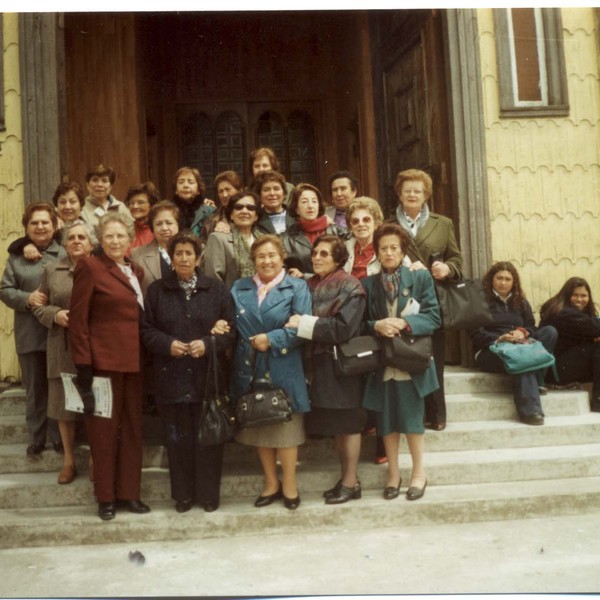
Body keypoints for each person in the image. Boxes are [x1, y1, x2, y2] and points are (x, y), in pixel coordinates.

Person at [141, 232, 236, 513]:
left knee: (208, 438)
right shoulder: (157, 290)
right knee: (178, 439)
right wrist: (167, 344)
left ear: (199, 258)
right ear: (171, 258)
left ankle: (208, 495)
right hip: (171, 377)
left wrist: (208, 344)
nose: (183, 258)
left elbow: (231, 329)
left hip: (207, 377)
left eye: (189, 253)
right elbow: (146, 330)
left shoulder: (215, 289)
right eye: (178, 253)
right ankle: (183, 495)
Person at [69, 213, 149, 521]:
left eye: (120, 236)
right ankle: (106, 497)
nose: (115, 242)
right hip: (102, 363)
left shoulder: (135, 271)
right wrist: (83, 365)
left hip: (134, 363)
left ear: (130, 239)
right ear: (100, 242)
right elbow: (78, 322)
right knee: (103, 432)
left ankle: (130, 493)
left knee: (131, 429)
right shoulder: (90, 267)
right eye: (109, 237)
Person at [230, 235, 311, 510]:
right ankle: (270, 483)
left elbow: (301, 327)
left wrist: (272, 339)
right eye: (260, 256)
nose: (266, 260)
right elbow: (231, 324)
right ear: (253, 260)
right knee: (258, 426)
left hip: (283, 365)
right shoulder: (239, 287)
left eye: (271, 255)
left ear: (282, 258)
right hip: (249, 366)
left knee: (286, 431)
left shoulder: (297, 287)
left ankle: (289, 484)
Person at [361, 223, 441, 501]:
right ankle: (393, 473)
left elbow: (433, 317)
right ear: (377, 252)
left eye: (394, 247)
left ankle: (419, 473)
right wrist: (377, 324)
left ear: (403, 250)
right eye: (383, 248)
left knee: (412, 419)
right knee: (387, 420)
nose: (389, 252)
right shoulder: (368, 284)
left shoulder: (420, 278)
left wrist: (404, 322)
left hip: (411, 359)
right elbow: (362, 322)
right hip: (384, 362)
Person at [285, 235, 367, 504]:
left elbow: (344, 329)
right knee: (338, 426)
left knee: (348, 425)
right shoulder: (309, 283)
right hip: (319, 364)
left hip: (343, 364)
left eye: (324, 254)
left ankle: (351, 482)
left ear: (339, 259)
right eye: (315, 253)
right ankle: (346, 480)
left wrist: (303, 323)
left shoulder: (351, 286)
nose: (316, 257)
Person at [389, 168, 464, 431]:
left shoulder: (442, 223)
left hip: (432, 298)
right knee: (406, 357)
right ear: (399, 193)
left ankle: (437, 412)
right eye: (407, 190)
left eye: (417, 190)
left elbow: (457, 259)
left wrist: (448, 269)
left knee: (435, 357)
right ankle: (413, 414)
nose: (412, 194)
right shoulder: (388, 224)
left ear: (426, 194)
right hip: (400, 299)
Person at [33, 222, 96, 484]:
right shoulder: (51, 270)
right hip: (62, 345)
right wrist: (55, 314)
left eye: (82, 237)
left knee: (96, 403)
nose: (76, 241)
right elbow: (38, 306)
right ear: (65, 243)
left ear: (91, 243)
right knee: (63, 405)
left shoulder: (101, 268)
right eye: (71, 237)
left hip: (95, 346)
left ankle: (96, 458)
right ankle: (69, 460)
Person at [0, 203, 65, 455]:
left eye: (45, 222)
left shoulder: (64, 254)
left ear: (54, 225)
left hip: (58, 333)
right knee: (35, 388)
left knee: (57, 387)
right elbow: (4, 290)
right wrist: (27, 298)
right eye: (34, 223)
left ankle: (59, 437)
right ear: (26, 228)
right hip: (29, 332)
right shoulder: (16, 258)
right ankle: (37, 437)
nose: (40, 227)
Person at [470, 262, 558, 426]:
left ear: (514, 282)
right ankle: (531, 411)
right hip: (491, 350)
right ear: (491, 280)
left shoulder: (521, 302)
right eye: (499, 278)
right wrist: (500, 338)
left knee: (549, 331)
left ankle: (537, 379)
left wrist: (523, 332)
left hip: (519, 344)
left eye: (508, 279)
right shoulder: (480, 302)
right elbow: (475, 333)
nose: (503, 283)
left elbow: (532, 326)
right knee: (521, 359)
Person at [540, 277, 600, 411]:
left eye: (584, 295)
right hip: (556, 371)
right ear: (567, 296)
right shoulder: (561, 311)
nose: (580, 300)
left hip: (570, 365)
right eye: (575, 295)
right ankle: (598, 401)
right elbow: (594, 327)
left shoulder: (580, 313)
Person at [283, 183, 349, 278]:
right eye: (304, 202)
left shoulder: (336, 231)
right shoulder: (285, 238)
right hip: (302, 289)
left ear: (319, 206)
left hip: (334, 287)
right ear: (296, 208)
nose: (310, 206)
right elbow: (282, 270)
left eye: (314, 201)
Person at [7, 182, 86, 260]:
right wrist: (27, 244)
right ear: (56, 205)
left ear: (81, 204)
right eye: (62, 202)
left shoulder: (89, 230)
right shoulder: (51, 230)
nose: (67, 206)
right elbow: (13, 246)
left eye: (72, 202)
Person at [203, 191, 262, 289]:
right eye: (238, 207)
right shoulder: (218, 238)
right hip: (230, 300)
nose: (244, 211)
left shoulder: (264, 241)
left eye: (250, 208)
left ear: (256, 216)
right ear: (231, 215)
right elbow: (213, 279)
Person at [131, 201, 180, 295]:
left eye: (169, 223)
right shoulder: (136, 254)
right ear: (152, 227)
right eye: (159, 224)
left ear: (178, 224)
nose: (164, 228)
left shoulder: (193, 251)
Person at [343, 196, 385, 279]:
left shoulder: (387, 247)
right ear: (350, 226)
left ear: (376, 223)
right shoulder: (344, 248)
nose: (361, 224)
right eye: (355, 221)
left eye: (366, 219)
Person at [80, 163, 132, 229]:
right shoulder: (81, 208)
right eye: (95, 180)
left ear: (110, 186)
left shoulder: (121, 207)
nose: (99, 184)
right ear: (87, 185)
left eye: (104, 181)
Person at [199, 171, 243, 244]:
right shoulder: (211, 221)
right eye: (220, 191)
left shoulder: (251, 214)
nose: (224, 195)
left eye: (228, 190)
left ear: (240, 190)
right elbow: (203, 247)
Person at [171, 166, 215, 235]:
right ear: (176, 190)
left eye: (190, 182)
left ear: (198, 190)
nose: (185, 185)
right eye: (181, 182)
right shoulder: (168, 211)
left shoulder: (209, 211)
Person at [252, 170, 295, 235]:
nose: (272, 193)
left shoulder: (295, 216)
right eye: (266, 190)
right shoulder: (254, 221)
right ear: (259, 195)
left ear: (284, 193)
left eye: (276, 189)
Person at [125, 181, 161, 250]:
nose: (135, 206)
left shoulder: (158, 230)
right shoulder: (127, 230)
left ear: (152, 205)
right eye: (132, 203)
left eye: (141, 203)